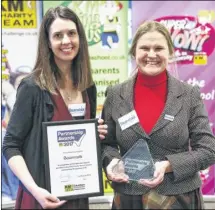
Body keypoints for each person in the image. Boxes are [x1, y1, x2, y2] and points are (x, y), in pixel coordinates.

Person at [101, 20, 215, 209]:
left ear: (169, 53)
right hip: (129, 198)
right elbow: (106, 144)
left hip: (179, 199)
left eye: (158, 48)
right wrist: (112, 162)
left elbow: (209, 150)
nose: (151, 54)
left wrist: (167, 165)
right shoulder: (115, 94)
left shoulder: (188, 95)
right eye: (145, 48)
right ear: (134, 52)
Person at [3, 6, 108, 210]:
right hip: (40, 198)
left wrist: (92, 134)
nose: (66, 41)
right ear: (48, 43)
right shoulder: (32, 87)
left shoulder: (88, 87)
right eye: (58, 35)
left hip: (77, 196)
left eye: (71, 33)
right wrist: (34, 189)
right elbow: (10, 145)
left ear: (80, 38)